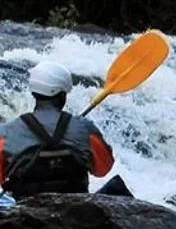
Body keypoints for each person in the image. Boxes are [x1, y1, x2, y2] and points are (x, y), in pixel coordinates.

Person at [1, 62, 115, 199]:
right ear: (62, 95)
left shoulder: (7, 133)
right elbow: (103, 169)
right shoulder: (84, 129)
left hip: (26, 209)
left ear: (34, 93)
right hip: (75, 207)